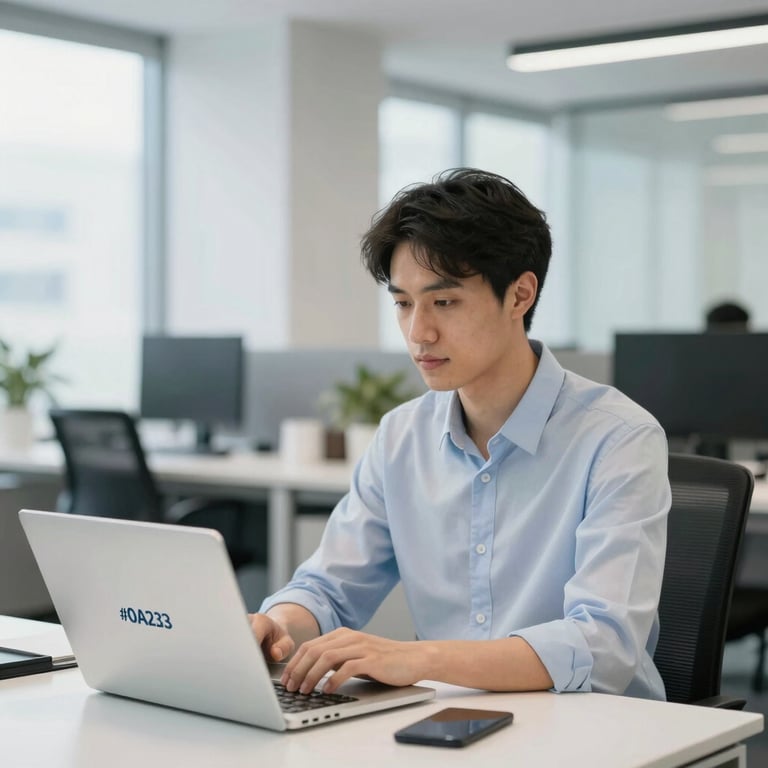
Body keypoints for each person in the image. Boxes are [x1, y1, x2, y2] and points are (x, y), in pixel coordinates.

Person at [250, 168, 671, 700]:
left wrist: (418, 657)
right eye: (403, 303)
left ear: (520, 295)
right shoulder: (401, 436)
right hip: (449, 725)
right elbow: (328, 588)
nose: (418, 332)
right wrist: (279, 627)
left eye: (444, 302)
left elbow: (603, 646)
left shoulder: (618, 439)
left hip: (594, 732)